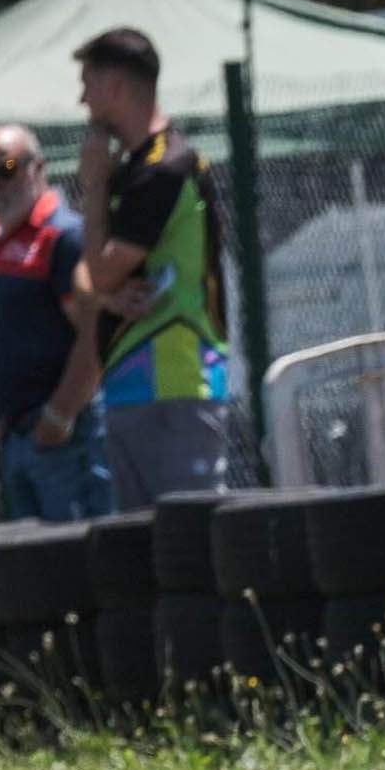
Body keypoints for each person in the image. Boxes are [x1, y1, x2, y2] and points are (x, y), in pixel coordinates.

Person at [72, 27, 228, 509]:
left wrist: (94, 186)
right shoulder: (132, 168)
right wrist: (104, 294)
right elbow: (86, 279)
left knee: (189, 547)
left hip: (176, 386)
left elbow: (96, 274)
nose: (82, 98)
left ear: (115, 86)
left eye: (89, 84)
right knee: (143, 559)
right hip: (127, 388)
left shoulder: (166, 168)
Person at [0, 125, 110, 521]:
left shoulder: (63, 237)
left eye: (5, 170)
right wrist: (9, 417)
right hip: (18, 435)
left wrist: (60, 414)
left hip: (66, 436)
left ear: (38, 168)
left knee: (77, 561)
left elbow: (95, 337)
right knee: (34, 571)